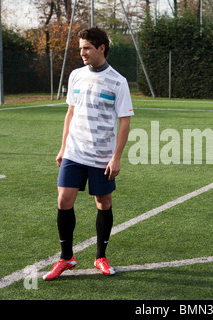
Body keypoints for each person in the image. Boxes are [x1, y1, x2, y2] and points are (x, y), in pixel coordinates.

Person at [43, 27, 133, 281]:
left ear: (101, 48)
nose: (81, 52)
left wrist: (116, 157)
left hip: (102, 156)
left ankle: (100, 256)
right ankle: (66, 257)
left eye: (86, 48)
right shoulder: (75, 76)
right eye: (80, 48)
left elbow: (125, 121)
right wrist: (62, 147)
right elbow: (70, 113)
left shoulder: (118, 81)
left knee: (103, 203)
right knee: (64, 201)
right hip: (74, 151)